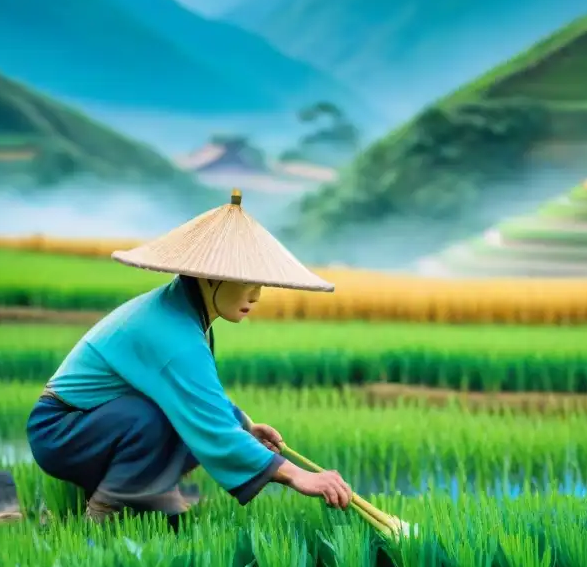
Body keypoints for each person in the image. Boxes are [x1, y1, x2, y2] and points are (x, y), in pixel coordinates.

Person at [25, 189, 353, 522]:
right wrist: (298, 475)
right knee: (158, 417)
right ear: (210, 277)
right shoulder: (173, 333)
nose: (255, 295)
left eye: (260, 284)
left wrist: (244, 426)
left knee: (179, 414)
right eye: (247, 282)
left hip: (95, 423)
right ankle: (106, 510)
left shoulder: (181, 312)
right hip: (61, 430)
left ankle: (151, 495)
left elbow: (197, 396)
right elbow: (207, 421)